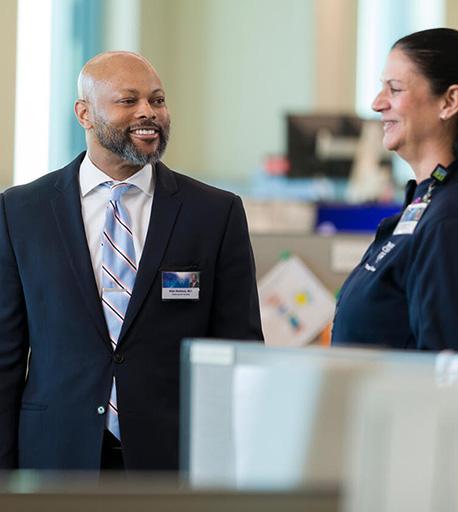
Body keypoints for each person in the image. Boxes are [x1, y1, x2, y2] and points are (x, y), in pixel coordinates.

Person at [0, 51, 263, 471]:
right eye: (129, 100)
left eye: (157, 100)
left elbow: (238, 353)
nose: (149, 113)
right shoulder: (21, 211)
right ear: (84, 114)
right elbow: (6, 356)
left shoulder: (214, 213)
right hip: (53, 457)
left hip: (171, 459)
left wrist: (230, 465)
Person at [332, 28, 458, 353]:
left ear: (450, 101)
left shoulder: (453, 220)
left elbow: (452, 376)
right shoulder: (434, 196)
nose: (376, 103)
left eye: (395, 89)